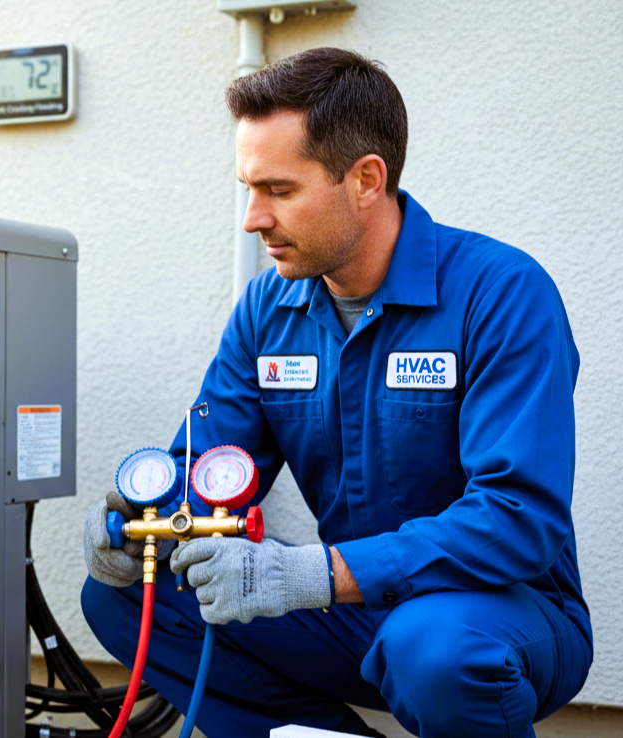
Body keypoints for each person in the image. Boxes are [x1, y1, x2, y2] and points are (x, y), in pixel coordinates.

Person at [80, 48, 592, 738]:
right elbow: (210, 471)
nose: (252, 219)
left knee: (432, 648)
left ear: (365, 180)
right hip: (348, 608)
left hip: (498, 615)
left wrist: (311, 575)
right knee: (123, 599)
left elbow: (516, 519)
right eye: (248, 189)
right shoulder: (269, 309)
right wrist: (139, 520)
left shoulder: (500, 293)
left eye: (280, 191)